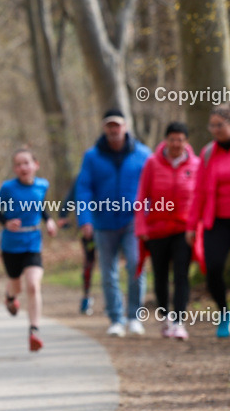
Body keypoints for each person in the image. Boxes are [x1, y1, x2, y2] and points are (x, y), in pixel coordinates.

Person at [74, 109, 150, 337]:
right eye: (109, 126)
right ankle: (116, 318)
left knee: (136, 265)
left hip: (133, 221)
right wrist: (85, 219)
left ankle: (134, 316)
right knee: (108, 272)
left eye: (117, 125)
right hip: (103, 222)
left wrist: (149, 217)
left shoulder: (143, 154)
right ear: (104, 128)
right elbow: (84, 188)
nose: (114, 130)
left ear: (125, 127)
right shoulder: (92, 156)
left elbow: (152, 188)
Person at [135, 122, 199, 340]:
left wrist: (196, 227)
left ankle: (179, 321)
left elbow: (200, 198)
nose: (176, 144)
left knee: (181, 275)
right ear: (166, 140)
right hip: (157, 229)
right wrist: (141, 226)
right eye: (172, 139)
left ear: (186, 141)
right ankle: (165, 318)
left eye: (180, 139)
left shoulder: (196, 165)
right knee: (160, 276)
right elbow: (141, 197)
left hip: (184, 229)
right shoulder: (152, 164)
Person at [0, 148, 58, 351]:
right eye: (18, 164)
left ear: (35, 165)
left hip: (32, 243)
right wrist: (6, 222)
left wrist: (49, 221)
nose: (23, 167)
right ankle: (10, 297)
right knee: (16, 286)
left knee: (32, 285)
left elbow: (40, 206)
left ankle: (34, 331)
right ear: (14, 168)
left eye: (26, 163)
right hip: (11, 245)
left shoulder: (42, 185)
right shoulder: (8, 188)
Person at [187, 104, 230, 337]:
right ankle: (224, 313)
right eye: (211, 125)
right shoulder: (207, 153)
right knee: (212, 268)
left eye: (219, 125)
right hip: (216, 221)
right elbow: (199, 193)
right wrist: (191, 226)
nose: (214, 130)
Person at [58, 181, 96, 315]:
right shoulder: (83, 176)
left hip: (112, 225)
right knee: (89, 261)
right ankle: (86, 297)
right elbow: (71, 196)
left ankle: (116, 300)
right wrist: (63, 215)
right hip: (88, 228)